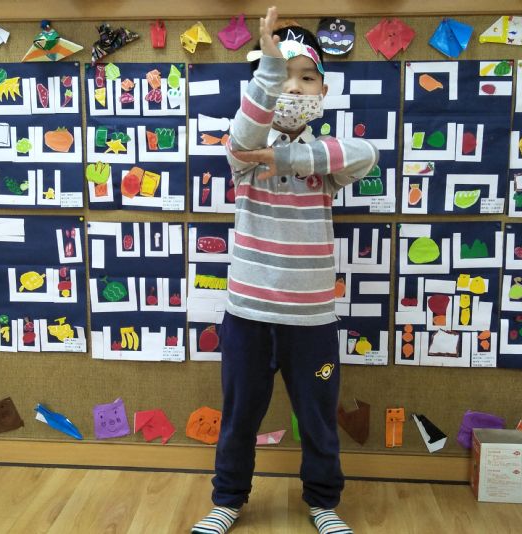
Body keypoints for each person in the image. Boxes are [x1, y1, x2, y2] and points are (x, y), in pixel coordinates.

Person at [191, 7, 378, 534]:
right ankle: (228, 500)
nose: (294, 88)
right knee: (239, 418)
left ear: (323, 91)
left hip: (311, 323)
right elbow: (244, 134)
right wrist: (269, 71)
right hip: (248, 316)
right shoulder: (245, 155)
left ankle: (323, 502)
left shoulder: (323, 162)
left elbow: (367, 154)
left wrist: (291, 160)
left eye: (306, 77)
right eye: (282, 78)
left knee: (318, 418)